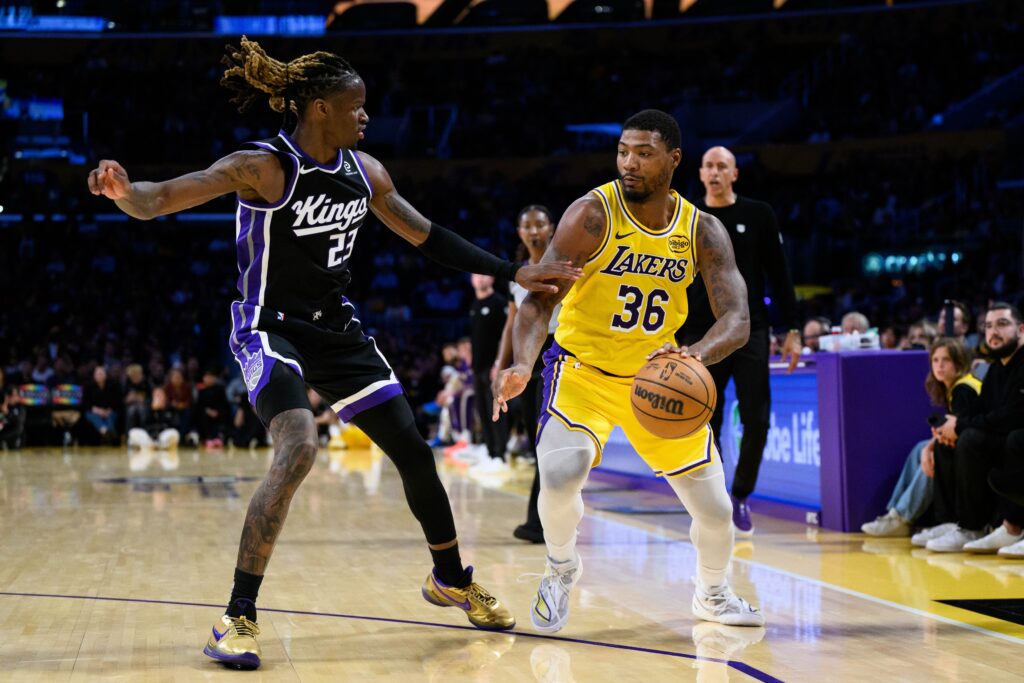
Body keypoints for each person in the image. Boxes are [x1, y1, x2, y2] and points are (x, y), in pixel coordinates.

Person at [87, 37, 579, 669]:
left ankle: (450, 577)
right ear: (319, 108)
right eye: (356, 106)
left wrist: (514, 272)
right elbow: (159, 200)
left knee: (414, 454)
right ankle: (237, 616)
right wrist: (124, 190)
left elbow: (429, 236)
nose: (366, 117)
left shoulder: (365, 171)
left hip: (337, 330)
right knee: (298, 446)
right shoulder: (263, 166)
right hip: (270, 326)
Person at [493, 110, 763, 632]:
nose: (629, 163)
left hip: (656, 381)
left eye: (643, 153)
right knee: (560, 473)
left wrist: (696, 356)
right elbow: (537, 303)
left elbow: (737, 318)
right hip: (583, 372)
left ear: (673, 159)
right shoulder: (591, 215)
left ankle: (712, 593)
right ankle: (560, 569)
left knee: (715, 511)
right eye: (623, 151)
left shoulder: (701, 229)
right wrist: (523, 363)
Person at [676, 145, 801, 536]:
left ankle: (740, 495)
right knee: (703, 421)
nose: (714, 172)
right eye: (708, 166)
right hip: (699, 333)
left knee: (757, 419)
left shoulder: (758, 214)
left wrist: (792, 330)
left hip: (750, 328)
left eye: (722, 166)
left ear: (734, 174)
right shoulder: (687, 216)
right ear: (700, 174)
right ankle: (709, 502)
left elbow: (779, 275)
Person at [927, 303, 1024, 555]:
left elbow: (1014, 415)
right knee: (950, 441)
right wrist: (949, 428)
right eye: (988, 326)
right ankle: (962, 525)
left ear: (1021, 330)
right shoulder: (995, 370)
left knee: (992, 438)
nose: (993, 332)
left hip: (1017, 436)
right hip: (1006, 437)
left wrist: (960, 426)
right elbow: (981, 414)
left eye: (1002, 324)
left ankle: (1010, 526)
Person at [861, 338, 980, 537]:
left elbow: (960, 431)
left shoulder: (963, 389)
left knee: (934, 453)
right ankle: (894, 513)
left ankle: (903, 517)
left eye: (946, 360)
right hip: (966, 444)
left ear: (959, 363)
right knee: (920, 448)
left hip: (975, 452)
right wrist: (929, 446)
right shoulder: (954, 387)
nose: (939, 366)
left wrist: (932, 448)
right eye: (935, 360)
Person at [495, 204, 561, 543]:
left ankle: (541, 523)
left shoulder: (564, 264)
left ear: (551, 227)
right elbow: (511, 324)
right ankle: (543, 521)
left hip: (555, 353)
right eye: (527, 226)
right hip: (525, 357)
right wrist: (499, 363)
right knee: (537, 444)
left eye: (539, 224)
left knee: (547, 443)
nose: (534, 231)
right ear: (520, 233)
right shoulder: (517, 275)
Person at [467, 273, 510, 474]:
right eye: (476, 276)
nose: (480, 279)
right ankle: (490, 451)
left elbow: (505, 336)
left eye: (484, 275)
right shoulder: (474, 304)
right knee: (483, 411)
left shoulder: (499, 303)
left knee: (496, 412)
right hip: (477, 368)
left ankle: (501, 454)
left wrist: (498, 364)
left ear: (492, 278)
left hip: (494, 368)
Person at [82, 365, 122, 445]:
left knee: (110, 417)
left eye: (102, 373)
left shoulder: (113, 385)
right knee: (93, 416)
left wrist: (109, 410)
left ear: (105, 375)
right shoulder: (88, 386)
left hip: (110, 410)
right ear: (94, 375)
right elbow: (85, 403)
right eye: (98, 374)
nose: (100, 375)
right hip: (93, 411)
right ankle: (105, 432)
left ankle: (109, 433)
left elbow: (117, 401)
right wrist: (97, 410)